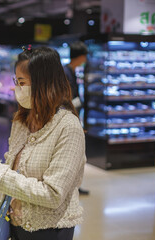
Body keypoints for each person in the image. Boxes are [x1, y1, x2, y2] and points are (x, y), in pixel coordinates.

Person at [0, 46, 87, 240]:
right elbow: (15, 174)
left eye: (21, 83)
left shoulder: (68, 128)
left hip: (49, 231)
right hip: (16, 226)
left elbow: (52, 194)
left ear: (43, 84)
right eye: (16, 81)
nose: (15, 89)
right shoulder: (22, 121)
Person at [63, 41, 90, 196]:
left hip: (74, 116)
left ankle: (75, 186)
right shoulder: (66, 72)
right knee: (72, 155)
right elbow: (67, 99)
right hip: (71, 118)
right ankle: (72, 187)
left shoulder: (70, 71)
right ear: (79, 57)